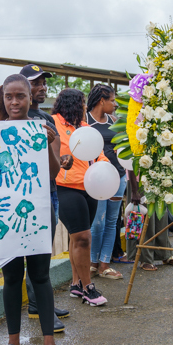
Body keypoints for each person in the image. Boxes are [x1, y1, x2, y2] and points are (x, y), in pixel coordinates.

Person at [0, 74, 62, 345]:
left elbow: (53, 174)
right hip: (6, 215)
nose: (15, 102)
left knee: (41, 275)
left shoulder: (45, 128)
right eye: (9, 97)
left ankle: (49, 342)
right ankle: (12, 343)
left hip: (38, 212)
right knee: (10, 278)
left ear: (30, 98)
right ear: (3, 99)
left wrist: (45, 145)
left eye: (20, 96)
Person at [20, 64, 73, 333]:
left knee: (43, 252)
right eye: (36, 82)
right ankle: (41, 307)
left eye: (43, 82)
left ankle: (39, 304)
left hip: (49, 191)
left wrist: (62, 161)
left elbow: (51, 160)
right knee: (34, 252)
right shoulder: (13, 119)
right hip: (26, 197)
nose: (42, 87)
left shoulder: (47, 119)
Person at [52, 88, 108, 306]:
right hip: (64, 187)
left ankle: (75, 284)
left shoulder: (86, 128)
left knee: (77, 238)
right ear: (74, 104)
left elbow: (98, 154)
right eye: (83, 103)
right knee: (84, 237)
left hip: (89, 186)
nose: (86, 107)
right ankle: (88, 288)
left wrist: (104, 166)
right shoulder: (54, 123)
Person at [86, 84, 124, 280]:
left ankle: (104, 265)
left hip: (118, 176)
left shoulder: (114, 121)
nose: (115, 104)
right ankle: (92, 263)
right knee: (97, 222)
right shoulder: (85, 122)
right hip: (97, 180)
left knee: (111, 222)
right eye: (112, 100)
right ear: (102, 100)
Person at [126, 170, 173, 270]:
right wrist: (134, 191)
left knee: (161, 218)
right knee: (147, 222)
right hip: (140, 181)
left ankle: (165, 254)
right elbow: (130, 165)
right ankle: (145, 259)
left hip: (158, 178)